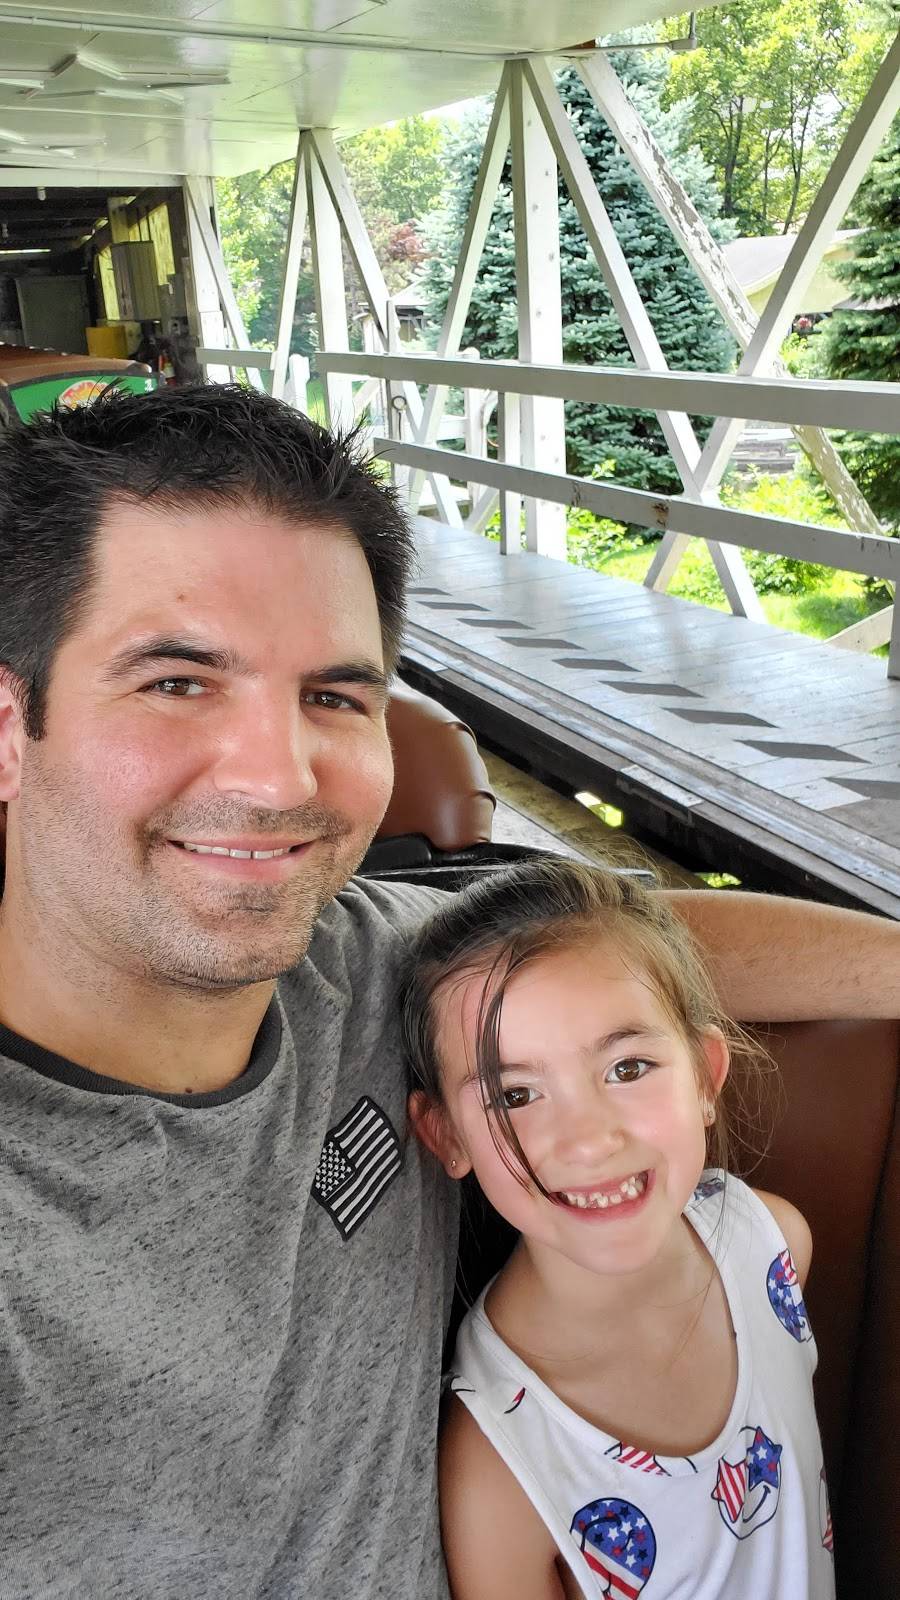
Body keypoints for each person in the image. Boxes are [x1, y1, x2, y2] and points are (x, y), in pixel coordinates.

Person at [0, 384, 894, 1599]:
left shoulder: (373, 960)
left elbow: (641, 942)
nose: (278, 778)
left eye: (334, 697)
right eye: (176, 681)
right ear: (12, 725)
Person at [404, 858, 833, 1600]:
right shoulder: (498, 1463)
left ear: (705, 1076)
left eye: (628, 1068)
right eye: (516, 1095)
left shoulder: (772, 1244)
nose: (588, 1140)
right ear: (446, 1135)